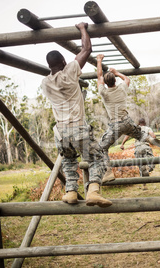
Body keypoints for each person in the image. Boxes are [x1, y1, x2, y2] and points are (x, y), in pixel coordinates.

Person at [41, 22, 112, 207]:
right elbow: (86, 49)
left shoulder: (45, 83)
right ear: (64, 62)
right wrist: (82, 28)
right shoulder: (70, 71)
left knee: (69, 160)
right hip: (78, 127)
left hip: (60, 132)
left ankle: (71, 192)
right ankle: (93, 190)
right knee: (97, 157)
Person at [96, 54, 160, 169]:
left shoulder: (104, 93)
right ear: (115, 80)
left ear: (106, 83)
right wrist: (116, 72)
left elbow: (99, 76)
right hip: (127, 121)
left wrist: (99, 60)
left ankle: (107, 171)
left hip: (116, 125)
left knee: (102, 148)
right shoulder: (122, 88)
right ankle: (150, 138)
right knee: (139, 135)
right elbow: (127, 79)